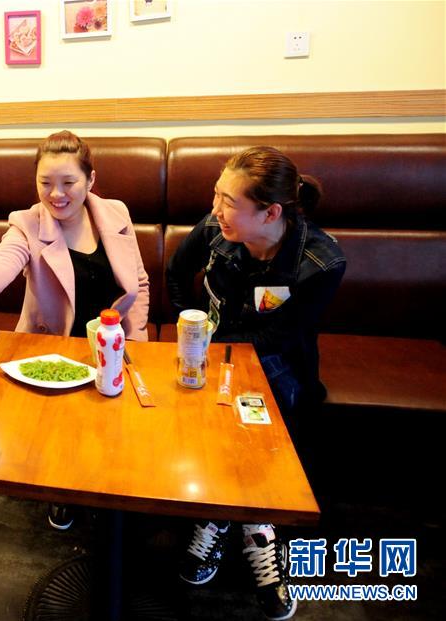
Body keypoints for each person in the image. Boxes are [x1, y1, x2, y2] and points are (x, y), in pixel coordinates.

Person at [0, 130, 151, 529]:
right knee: (60, 439)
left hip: (111, 341)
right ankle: (61, 491)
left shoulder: (115, 214)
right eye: (45, 183)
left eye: (68, 182)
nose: (56, 194)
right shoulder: (26, 224)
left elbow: (138, 283)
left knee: (112, 433)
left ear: (91, 180)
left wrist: (137, 339)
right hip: (55, 347)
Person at [167, 146, 346, 620]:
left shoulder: (320, 262)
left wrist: (217, 354)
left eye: (228, 201)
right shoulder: (214, 231)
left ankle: (253, 525)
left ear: (271, 212)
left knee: (259, 422)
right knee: (196, 414)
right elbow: (173, 273)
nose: (214, 209)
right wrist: (188, 329)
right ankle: (226, 515)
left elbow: (276, 335)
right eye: (216, 194)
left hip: (277, 361)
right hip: (212, 349)